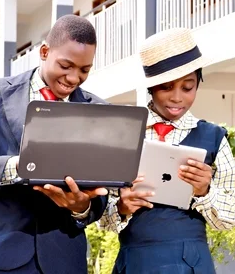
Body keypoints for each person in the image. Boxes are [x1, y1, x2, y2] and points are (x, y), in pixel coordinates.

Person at [0, 15, 108, 274]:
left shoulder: (98, 111)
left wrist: (81, 207)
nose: (74, 78)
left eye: (84, 70)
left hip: (64, 264)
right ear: (44, 52)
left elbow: (99, 198)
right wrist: (17, 167)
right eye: (66, 65)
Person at [99, 27, 235, 274]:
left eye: (188, 87)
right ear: (150, 88)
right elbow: (100, 216)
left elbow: (230, 218)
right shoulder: (124, 135)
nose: (176, 97)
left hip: (191, 264)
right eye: (166, 87)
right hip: (135, 262)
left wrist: (205, 191)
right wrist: (120, 207)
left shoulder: (213, 137)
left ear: (198, 83)